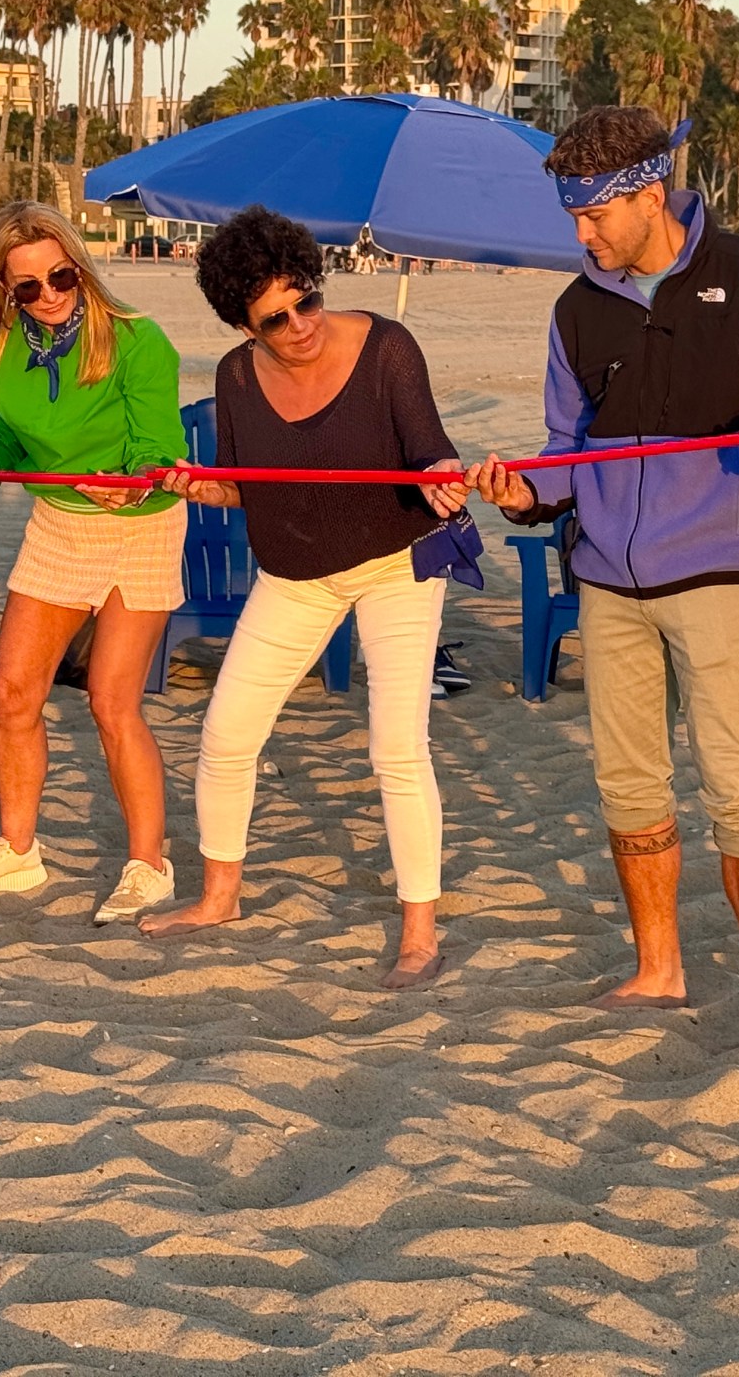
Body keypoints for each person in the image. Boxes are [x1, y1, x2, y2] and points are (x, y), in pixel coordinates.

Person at [470, 105, 739, 1045]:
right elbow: (567, 449)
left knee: (738, 788)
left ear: (648, 195)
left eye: (594, 216)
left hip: (721, 570)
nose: (582, 234)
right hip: (605, 579)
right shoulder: (575, 308)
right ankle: (659, 971)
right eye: (574, 218)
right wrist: (524, 495)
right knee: (630, 787)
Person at [136, 208, 468, 988]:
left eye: (306, 300)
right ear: (246, 327)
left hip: (397, 563)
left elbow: (429, 448)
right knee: (225, 735)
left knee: (396, 746)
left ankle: (419, 930)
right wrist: (190, 487)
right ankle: (220, 896)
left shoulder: (387, 347)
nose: (300, 325)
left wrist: (443, 477)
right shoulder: (236, 376)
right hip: (295, 576)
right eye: (275, 319)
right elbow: (243, 487)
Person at [0, 201, 189, 925]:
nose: (49, 294)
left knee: (111, 700)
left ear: (79, 266)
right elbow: (4, 439)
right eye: (27, 287)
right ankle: (16, 850)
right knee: (12, 694)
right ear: (7, 294)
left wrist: (130, 481)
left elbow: (158, 447)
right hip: (60, 524)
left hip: (141, 527)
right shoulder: (8, 352)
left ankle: (148, 866)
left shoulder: (138, 340)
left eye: (60, 275)